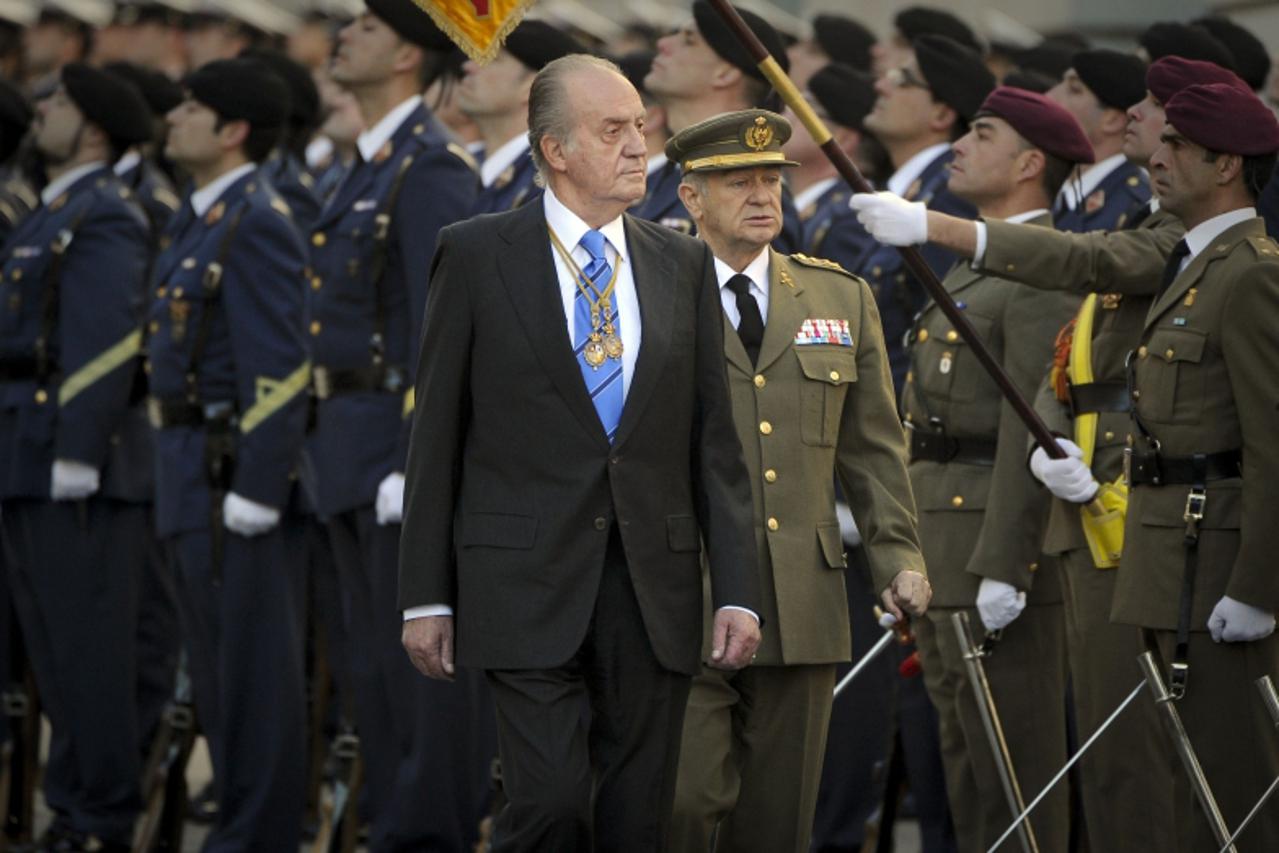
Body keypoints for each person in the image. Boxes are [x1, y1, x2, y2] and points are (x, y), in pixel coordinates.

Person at [852, 54, 1249, 853]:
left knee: (1077, 765)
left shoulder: (1208, 256)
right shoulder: (1142, 235)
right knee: (985, 760)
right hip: (1011, 526)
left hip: (1126, 531)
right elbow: (1054, 393)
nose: (1133, 122)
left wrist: (1008, 556)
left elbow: (1038, 397)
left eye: (1159, 118)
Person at [399, 53, 762, 852]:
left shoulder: (684, 262)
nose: (641, 145)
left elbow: (716, 445)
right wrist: (424, 593)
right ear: (555, 150)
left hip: (651, 588)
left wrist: (737, 589)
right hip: (520, 582)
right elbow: (437, 437)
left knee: (638, 819)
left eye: (640, 125)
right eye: (613, 130)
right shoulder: (475, 252)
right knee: (552, 805)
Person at [660, 107, 929, 853]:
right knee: (678, 806)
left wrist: (899, 558)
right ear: (690, 198)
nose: (762, 196)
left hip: (801, 596)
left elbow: (873, 448)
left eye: (771, 180)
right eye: (737, 182)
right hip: (687, 591)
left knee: (776, 825)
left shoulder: (838, 297)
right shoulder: (648, 289)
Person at [860, 86, 1096, 852]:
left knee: (1013, 773)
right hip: (943, 540)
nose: (958, 144)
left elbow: (1034, 428)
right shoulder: (970, 264)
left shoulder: (1039, 271)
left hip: (992, 546)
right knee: (964, 767)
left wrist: (1009, 561)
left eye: (982, 133)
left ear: (1029, 163)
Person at [307, 0, 483, 848]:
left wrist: (419, 458)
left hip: (389, 449)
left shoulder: (430, 169)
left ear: (410, 57)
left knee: (416, 682)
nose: (346, 35)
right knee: (367, 674)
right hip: (344, 444)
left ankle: (426, 835)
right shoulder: (367, 164)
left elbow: (440, 331)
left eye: (368, 27)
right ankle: (390, 828)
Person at [150, 57, 311, 852]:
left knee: (248, 673)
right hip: (185, 464)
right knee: (215, 668)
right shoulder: (201, 214)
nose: (174, 118)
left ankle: (258, 832)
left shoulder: (257, 218)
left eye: (191, 108)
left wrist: (258, 482)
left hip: (225, 477)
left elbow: (279, 367)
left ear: (233, 129)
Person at [0, 63, 153, 853]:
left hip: (71, 459)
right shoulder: (54, 208)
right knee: (52, 651)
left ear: (93, 126)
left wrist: (79, 450)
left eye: (58, 102)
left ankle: (102, 814)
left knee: (89, 650)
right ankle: (71, 804)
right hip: (24, 447)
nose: (44, 111)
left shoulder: (103, 215)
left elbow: (105, 340)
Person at [858, 33, 993, 388]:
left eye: (903, 79)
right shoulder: (910, 190)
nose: (882, 86)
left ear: (941, 113)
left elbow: (937, 329)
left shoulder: (947, 197)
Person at [640, 1, 802, 251]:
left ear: (725, 73)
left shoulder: (757, 197)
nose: (663, 44)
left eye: (689, 40)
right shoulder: (663, 172)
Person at [459, 19, 581, 215]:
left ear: (532, 87)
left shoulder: (546, 185)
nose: (468, 66)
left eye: (492, 59)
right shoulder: (465, 163)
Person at [1048, 49, 1150, 233]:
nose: (1049, 96)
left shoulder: (1134, 207)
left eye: (1074, 90)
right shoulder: (1052, 190)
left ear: (1112, 120)